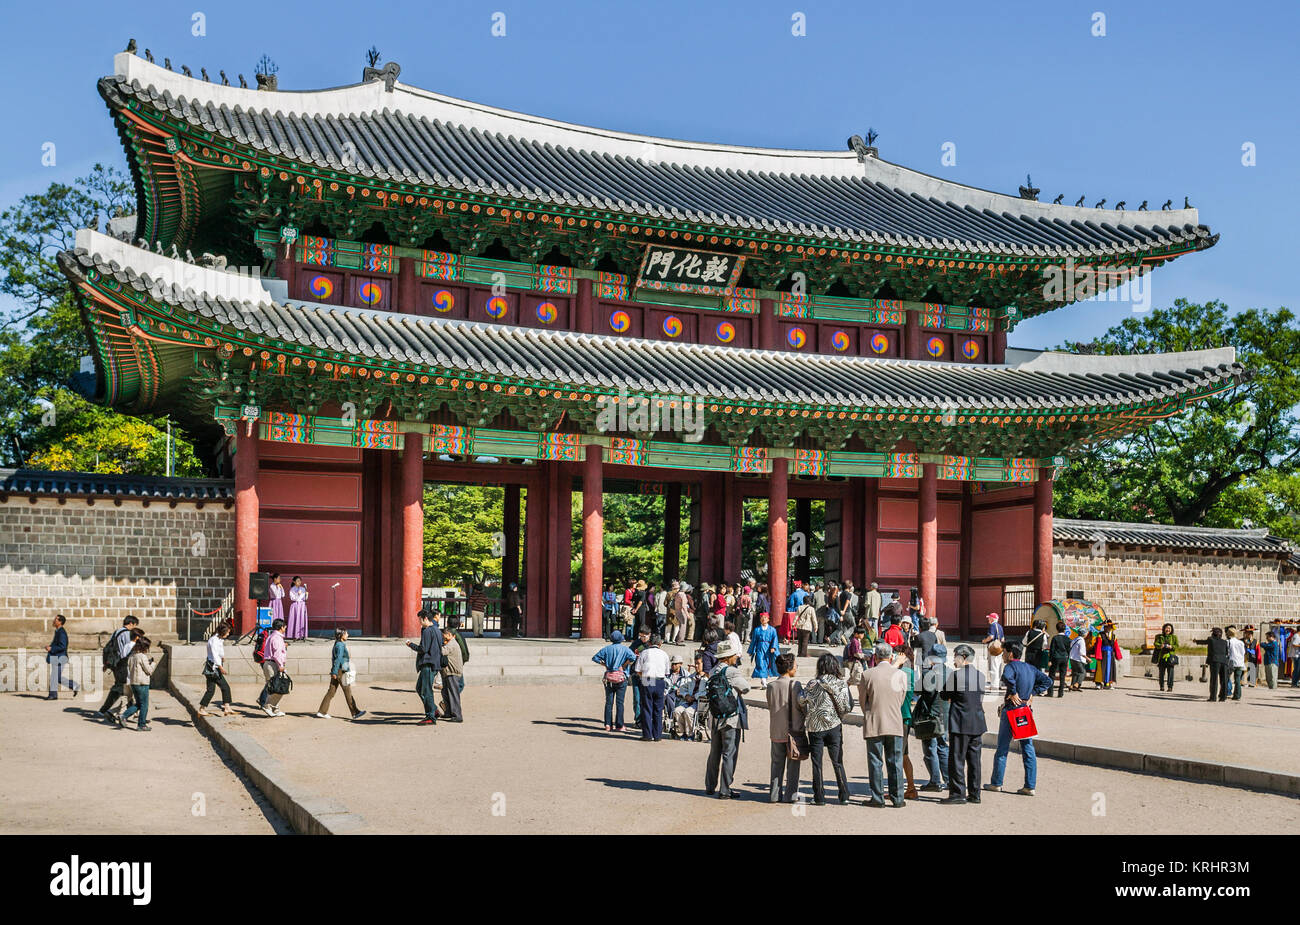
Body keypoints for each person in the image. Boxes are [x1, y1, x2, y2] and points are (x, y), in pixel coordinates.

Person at [985, 641, 1051, 797]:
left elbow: (1007, 677)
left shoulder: (1010, 667)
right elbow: (1048, 681)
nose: (1002, 655)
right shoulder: (1030, 668)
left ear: (1011, 653)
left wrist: (1013, 691)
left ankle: (997, 782)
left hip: (1011, 711)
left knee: (1002, 748)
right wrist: (1032, 693)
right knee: (1028, 748)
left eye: (1005, 652)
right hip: (1025, 710)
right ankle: (1030, 785)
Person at [797, 653, 852, 805]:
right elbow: (847, 706)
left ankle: (819, 797)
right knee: (837, 761)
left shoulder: (812, 684)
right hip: (834, 725)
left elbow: (800, 700)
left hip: (816, 727)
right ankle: (844, 794)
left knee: (817, 762)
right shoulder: (841, 684)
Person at [859, 642, 907, 808]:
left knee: (875, 761)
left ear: (875, 656)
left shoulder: (867, 674)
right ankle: (898, 797)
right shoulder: (900, 675)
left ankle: (878, 798)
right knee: (895, 762)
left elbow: (862, 701)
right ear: (891, 657)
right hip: (894, 721)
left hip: (874, 721)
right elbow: (901, 698)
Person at [704, 638, 752, 799]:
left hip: (716, 715)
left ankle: (710, 785)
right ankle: (725, 789)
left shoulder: (713, 671)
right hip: (730, 717)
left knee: (714, 752)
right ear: (728, 657)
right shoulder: (731, 671)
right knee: (729, 753)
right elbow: (746, 688)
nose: (736, 657)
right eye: (734, 655)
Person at [941, 644, 987, 804]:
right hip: (977, 721)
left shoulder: (956, 675)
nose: (954, 659)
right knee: (974, 760)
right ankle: (975, 793)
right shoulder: (980, 675)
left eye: (955, 656)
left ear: (963, 657)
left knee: (957, 759)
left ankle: (958, 793)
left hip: (960, 721)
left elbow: (944, 694)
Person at [765, 653, 805, 803]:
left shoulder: (771, 686)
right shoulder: (796, 685)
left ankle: (774, 795)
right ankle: (790, 795)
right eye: (795, 664)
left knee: (776, 764)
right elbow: (801, 706)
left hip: (776, 730)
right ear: (789, 668)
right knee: (793, 765)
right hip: (793, 731)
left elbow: (770, 705)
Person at [914, 644, 949, 792]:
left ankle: (935, 781)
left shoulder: (930, 674)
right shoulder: (950, 672)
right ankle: (948, 779)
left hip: (931, 715)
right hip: (945, 714)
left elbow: (919, 690)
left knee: (929, 748)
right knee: (943, 747)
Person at [316, 628, 365, 720]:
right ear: (341, 635)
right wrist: (334, 672)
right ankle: (355, 712)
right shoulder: (341, 645)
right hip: (340, 672)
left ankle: (322, 711)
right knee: (348, 692)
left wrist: (334, 671)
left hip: (336, 671)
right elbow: (338, 659)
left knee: (331, 692)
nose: (348, 635)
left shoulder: (337, 644)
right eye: (346, 633)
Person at [592, 630, 636, 732]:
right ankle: (619, 725)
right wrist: (624, 664)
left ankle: (608, 724)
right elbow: (633, 657)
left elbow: (595, 658)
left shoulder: (607, 649)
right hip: (621, 677)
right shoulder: (625, 649)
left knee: (609, 702)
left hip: (609, 677)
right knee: (620, 703)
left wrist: (605, 665)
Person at [97, 615, 139, 720]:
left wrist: (106, 664)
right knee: (121, 687)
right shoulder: (126, 633)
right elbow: (126, 650)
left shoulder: (117, 631)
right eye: (134, 625)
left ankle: (132, 712)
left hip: (116, 663)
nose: (134, 628)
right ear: (131, 624)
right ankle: (105, 710)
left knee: (125, 688)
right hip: (122, 663)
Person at [406, 610, 443, 725]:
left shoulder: (428, 631)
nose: (420, 623)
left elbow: (423, 649)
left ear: (425, 618)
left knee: (426, 691)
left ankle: (430, 716)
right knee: (419, 688)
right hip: (434, 663)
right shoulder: (436, 630)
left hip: (428, 664)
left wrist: (410, 645)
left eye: (420, 620)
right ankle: (433, 709)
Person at [635, 634, 672, 741]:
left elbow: (638, 670)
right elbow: (667, 672)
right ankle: (657, 735)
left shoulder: (644, 653)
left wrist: (644, 677)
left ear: (649, 643)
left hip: (648, 679)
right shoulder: (664, 654)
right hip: (660, 681)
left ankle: (647, 734)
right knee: (658, 708)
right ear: (660, 643)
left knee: (647, 707)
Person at [117, 636, 155, 731]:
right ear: (144, 647)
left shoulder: (132, 656)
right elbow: (149, 671)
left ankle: (123, 716)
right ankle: (141, 725)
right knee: (144, 705)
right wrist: (153, 664)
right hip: (142, 683)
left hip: (133, 682)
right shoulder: (142, 656)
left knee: (139, 704)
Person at [198, 622, 235, 716]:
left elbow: (219, 651)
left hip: (214, 666)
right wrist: (220, 667)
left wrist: (222, 657)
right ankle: (226, 707)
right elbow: (214, 654)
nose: (228, 634)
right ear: (223, 632)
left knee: (211, 690)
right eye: (227, 632)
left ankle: (204, 708)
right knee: (224, 687)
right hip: (213, 667)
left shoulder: (219, 639)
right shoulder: (214, 640)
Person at [258, 618, 290, 716]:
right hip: (274, 664)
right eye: (284, 626)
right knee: (277, 687)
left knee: (274, 687)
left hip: (269, 663)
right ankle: (267, 705)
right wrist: (280, 665)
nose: (285, 628)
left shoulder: (273, 636)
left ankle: (275, 708)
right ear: (281, 627)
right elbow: (277, 654)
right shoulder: (277, 638)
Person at [672, 654, 708, 740]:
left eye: (698, 664)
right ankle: (683, 732)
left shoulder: (707, 678)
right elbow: (683, 688)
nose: (696, 666)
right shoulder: (691, 677)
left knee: (688, 712)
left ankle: (690, 733)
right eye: (695, 663)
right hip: (688, 701)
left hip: (699, 702)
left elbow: (706, 691)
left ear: (703, 664)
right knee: (677, 711)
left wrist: (695, 696)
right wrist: (686, 695)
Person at [45, 614, 79, 699]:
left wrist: (51, 648)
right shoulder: (58, 631)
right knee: (56, 677)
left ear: (60, 622)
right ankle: (74, 686)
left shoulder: (62, 632)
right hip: (57, 657)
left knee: (55, 676)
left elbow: (63, 646)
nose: (53, 621)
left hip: (60, 657)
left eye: (55, 619)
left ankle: (53, 695)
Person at [748, 611, 779, 688]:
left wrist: (773, 647)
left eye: (765, 618)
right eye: (762, 618)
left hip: (768, 649)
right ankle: (763, 681)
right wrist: (751, 650)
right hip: (760, 648)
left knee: (768, 664)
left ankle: (764, 678)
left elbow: (775, 639)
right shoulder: (757, 630)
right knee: (760, 663)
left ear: (768, 619)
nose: (763, 619)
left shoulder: (772, 630)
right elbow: (753, 641)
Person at [440, 625, 465, 722]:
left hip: (453, 672)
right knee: (445, 692)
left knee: (453, 694)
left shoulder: (452, 644)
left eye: (444, 636)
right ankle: (448, 712)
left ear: (449, 634)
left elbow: (442, 651)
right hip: (448, 672)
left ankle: (457, 715)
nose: (444, 638)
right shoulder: (450, 643)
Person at [1092, 620, 1122, 689]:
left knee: (1110, 668)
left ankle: (1109, 683)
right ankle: (1098, 683)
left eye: (1109, 627)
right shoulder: (1100, 635)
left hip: (1110, 654)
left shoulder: (1114, 636)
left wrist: (1118, 655)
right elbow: (1098, 645)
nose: (1107, 628)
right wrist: (1098, 655)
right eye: (1106, 627)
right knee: (1101, 668)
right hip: (1103, 653)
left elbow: (1116, 646)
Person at [1044, 621, 1072, 697]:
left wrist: (1050, 660)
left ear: (1057, 629)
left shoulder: (1055, 638)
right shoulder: (1068, 639)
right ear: (1064, 629)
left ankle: (1050, 692)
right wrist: (1067, 658)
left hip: (1056, 658)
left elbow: (1052, 650)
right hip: (1064, 658)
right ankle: (1060, 693)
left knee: (1052, 675)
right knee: (1062, 676)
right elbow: (1069, 649)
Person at [1204, 627, 1229, 702]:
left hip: (1215, 661)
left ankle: (1213, 697)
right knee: (1224, 679)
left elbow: (1209, 651)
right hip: (1224, 661)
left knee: (1214, 680)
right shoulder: (1225, 642)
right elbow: (1226, 652)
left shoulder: (1210, 639)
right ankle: (1223, 697)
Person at [981, 612, 1005, 688]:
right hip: (999, 647)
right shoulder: (1000, 626)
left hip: (993, 648)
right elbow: (1003, 639)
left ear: (992, 619)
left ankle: (994, 684)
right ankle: (999, 682)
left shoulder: (992, 626)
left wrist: (984, 641)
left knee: (993, 666)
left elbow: (991, 637)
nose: (988, 619)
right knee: (999, 665)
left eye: (989, 618)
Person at [1153, 623, 1178, 692]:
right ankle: (1161, 686)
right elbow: (1155, 643)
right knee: (1161, 673)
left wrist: (1171, 647)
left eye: (1169, 628)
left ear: (1171, 629)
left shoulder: (1174, 637)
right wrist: (1160, 645)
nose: (1168, 629)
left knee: (1170, 673)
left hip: (1170, 657)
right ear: (1164, 629)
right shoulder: (1159, 636)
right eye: (1166, 628)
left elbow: (1177, 645)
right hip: (1161, 657)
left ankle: (1170, 687)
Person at [1226, 627, 1246, 701]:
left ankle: (1227, 692)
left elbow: (1227, 652)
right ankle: (1237, 695)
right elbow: (1243, 652)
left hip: (1231, 662)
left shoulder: (1228, 642)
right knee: (1237, 679)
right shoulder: (1241, 642)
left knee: (1227, 677)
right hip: (1240, 662)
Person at [286, 576, 309, 640]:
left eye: (300, 581)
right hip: (296, 605)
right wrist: (297, 594)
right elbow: (292, 598)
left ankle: (301, 635)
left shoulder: (303, 588)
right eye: (298, 581)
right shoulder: (292, 589)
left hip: (302, 605)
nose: (299, 582)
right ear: (294, 582)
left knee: (301, 619)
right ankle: (294, 635)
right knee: (295, 619)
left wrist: (306, 595)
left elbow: (305, 598)